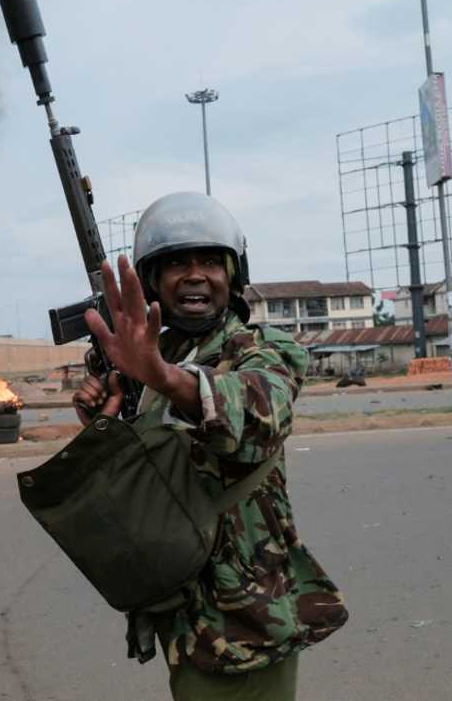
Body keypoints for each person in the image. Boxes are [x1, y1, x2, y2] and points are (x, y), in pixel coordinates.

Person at [71, 192, 348, 701]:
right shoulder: (156, 357)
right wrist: (104, 420)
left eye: (208, 262)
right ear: (153, 281)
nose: (194, 274)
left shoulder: (261, 350)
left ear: (232, 277)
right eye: (176, 262)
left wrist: (161, 375)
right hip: (180, 602)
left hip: (242, 615)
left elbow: (261, 410)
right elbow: (140, 474)